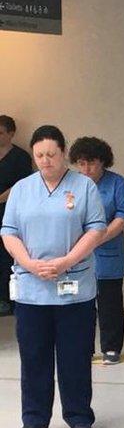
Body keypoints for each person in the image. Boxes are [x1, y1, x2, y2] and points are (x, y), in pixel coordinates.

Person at [1, 125, 106, 428]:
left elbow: (96, 229)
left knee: (74, 355)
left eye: (52, 154)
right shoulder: (22, 189)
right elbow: (9, 231)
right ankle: (34, 419)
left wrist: (66, 262)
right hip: (32, 288)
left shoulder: (83, 186)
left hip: (73, 286)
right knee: (34, 355)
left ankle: (79, 417)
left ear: (64, 153)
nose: (45, 161)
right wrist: (30, 264)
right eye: (39, 155)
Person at [70, 137, 124, 366]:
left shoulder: (118, 184)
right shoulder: (72, 185)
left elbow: (122, 217)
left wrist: (96, 239)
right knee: (80, 305)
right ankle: (82, 348)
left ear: (103, 162)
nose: (86, 169)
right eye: (81, 163)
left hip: (109, 254)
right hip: (78, 256)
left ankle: (111, 347)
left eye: (92, 163)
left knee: (109, 304)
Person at [0, 115, 34, 316]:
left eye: (1, 133)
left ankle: (6, 299)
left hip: (9, 210)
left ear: (11, 134)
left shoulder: (21, 157)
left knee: (7, 255)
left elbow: (22, 185)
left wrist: (1, 198)